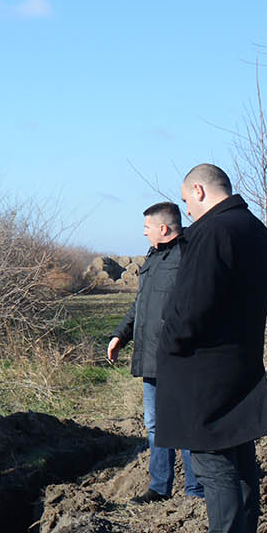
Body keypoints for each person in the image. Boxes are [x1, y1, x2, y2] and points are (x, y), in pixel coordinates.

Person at [154, 163, 267, 533]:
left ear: (200, 191)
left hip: (204, 369)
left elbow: (189, 308)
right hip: (241, 362)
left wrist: (167, 347)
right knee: (240, 459)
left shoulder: (213, 232)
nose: (186, 209)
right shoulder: (255, 228)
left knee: (214, 467)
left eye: (186, 200)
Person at [107, 202, 201, 504]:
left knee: (185, 425)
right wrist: (120, 335)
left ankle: (194, 492)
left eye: (147, 227)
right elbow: (141, 304)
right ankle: (159, 488)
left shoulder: (189, 255)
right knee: (155, 424)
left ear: (163, 229)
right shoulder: (153, 256)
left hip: (179, 357)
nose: (143, 232)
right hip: (150, 358)